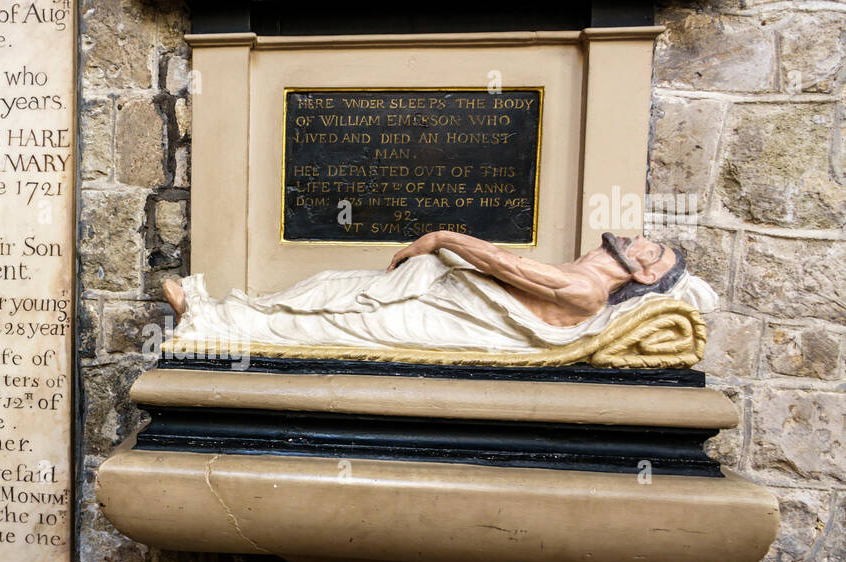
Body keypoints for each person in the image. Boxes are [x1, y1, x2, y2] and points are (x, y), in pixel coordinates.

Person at [160, 231, 716, 353]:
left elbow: (502, 264)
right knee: (332, 288)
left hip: (447, 316)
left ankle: (210, 323)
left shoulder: (586, 287)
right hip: (445, 298)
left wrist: (441, 235)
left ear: (644, 277)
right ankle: (223, 315)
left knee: (334, 320)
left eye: (653, 252)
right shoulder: (585, 277)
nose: (642, 240)